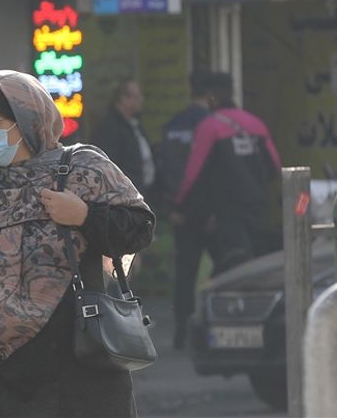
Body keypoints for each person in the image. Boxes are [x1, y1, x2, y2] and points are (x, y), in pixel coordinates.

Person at [0, 70, 155, 418]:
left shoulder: (84, 171)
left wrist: (85, 216)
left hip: (83, 372)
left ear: (27, 120)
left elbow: (140, 230)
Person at [174, 72, 281, 276]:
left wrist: (180, 205)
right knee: (246, 261)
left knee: (228, 266)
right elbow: (275, 167)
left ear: (211, 97)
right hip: (255, 208)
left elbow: (193, 174)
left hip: (225, 211)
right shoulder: (255, 124)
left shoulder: (209, 127)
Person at [158, 72, 214, 349]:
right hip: (209, 212)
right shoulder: (213, 124)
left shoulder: (173, 125)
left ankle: (182, 327)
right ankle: (211, 329)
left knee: (186, 270)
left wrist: (172, 205)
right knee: (223, 268)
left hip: (182, 210)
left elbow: (166, 167)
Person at [91, 80, 155, 196]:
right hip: (125, 197)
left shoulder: (134, 125)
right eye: (136, 96)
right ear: (123, 99)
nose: (141, 100)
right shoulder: (110, 128)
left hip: (142, 193)